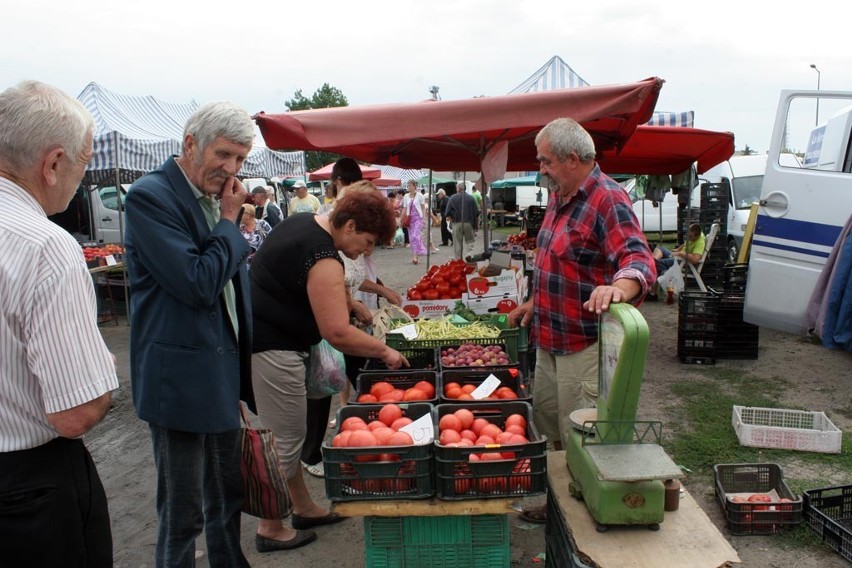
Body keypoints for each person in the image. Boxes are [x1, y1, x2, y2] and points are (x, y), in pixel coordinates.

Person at [124, 101, 257, 566]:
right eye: (224, 155)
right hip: (177, 379)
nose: (231, 169)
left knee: (226, 500)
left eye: (241, 159)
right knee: (182, 514)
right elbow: (199, 282)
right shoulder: (150, 196)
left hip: (219, 370)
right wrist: (229, 223)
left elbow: (227, 289)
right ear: (189, 144)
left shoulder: (213, 199)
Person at [507, 117, 656, 524]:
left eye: (545, 160)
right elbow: (557, 261)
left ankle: (580, 514)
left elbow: (637, 259)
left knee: (582, 433)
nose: (541, 169)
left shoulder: (608, 199)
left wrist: (619, 289)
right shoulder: (562, 194)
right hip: (549, 338)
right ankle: (558, 501)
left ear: (573, 158)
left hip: (584, 344)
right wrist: (534, 303)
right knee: (550, 423)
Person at [0, 80, 119, 567]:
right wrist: (101, 366)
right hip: (27, 493)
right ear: (52, 164)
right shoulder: (44, 245)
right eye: (83, 163)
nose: (79, 179)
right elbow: (76, 413)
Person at [249, 189, 408, 550]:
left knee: (290, 432)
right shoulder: (323, 256)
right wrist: (385, 351)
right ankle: (269, 527)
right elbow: (336, 332)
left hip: (272, 339)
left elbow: (298, 284)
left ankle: (303, 507)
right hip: (274, 348)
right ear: (349, 225)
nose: (366, 252)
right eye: (367, 242)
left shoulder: (304, 224)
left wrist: (347, 299)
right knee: (285, 440)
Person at [445, 181, 479, 260]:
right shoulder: (471, 198)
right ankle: (469, 254)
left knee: (457, 243)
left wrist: (451, 219)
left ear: (458, 188)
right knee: (469, 241)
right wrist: (476, 225)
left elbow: (447, 213)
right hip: (468, 223)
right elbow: (477, 213)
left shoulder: (452, 198)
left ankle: (458, 259)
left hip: (456, 223)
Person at [401, 180, 428, 264]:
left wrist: (423, 218)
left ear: (414, 186)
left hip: (418, 218)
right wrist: (401, 218)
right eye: (408, 185)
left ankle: (421, 249)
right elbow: (405, 208)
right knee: (411, 238)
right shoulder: (406, 196)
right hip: (410, 219)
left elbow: (423, 207)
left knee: (415, 235)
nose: (408, 187)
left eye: (409, 185)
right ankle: (415, 256)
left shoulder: (420, 195)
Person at [240, 202, 273, 268]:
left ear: (248, 215)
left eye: (241, 213)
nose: (239, 215)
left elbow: (272, 240)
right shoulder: (240, 229)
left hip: (263, 263)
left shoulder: (262, 224)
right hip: (248, 267)